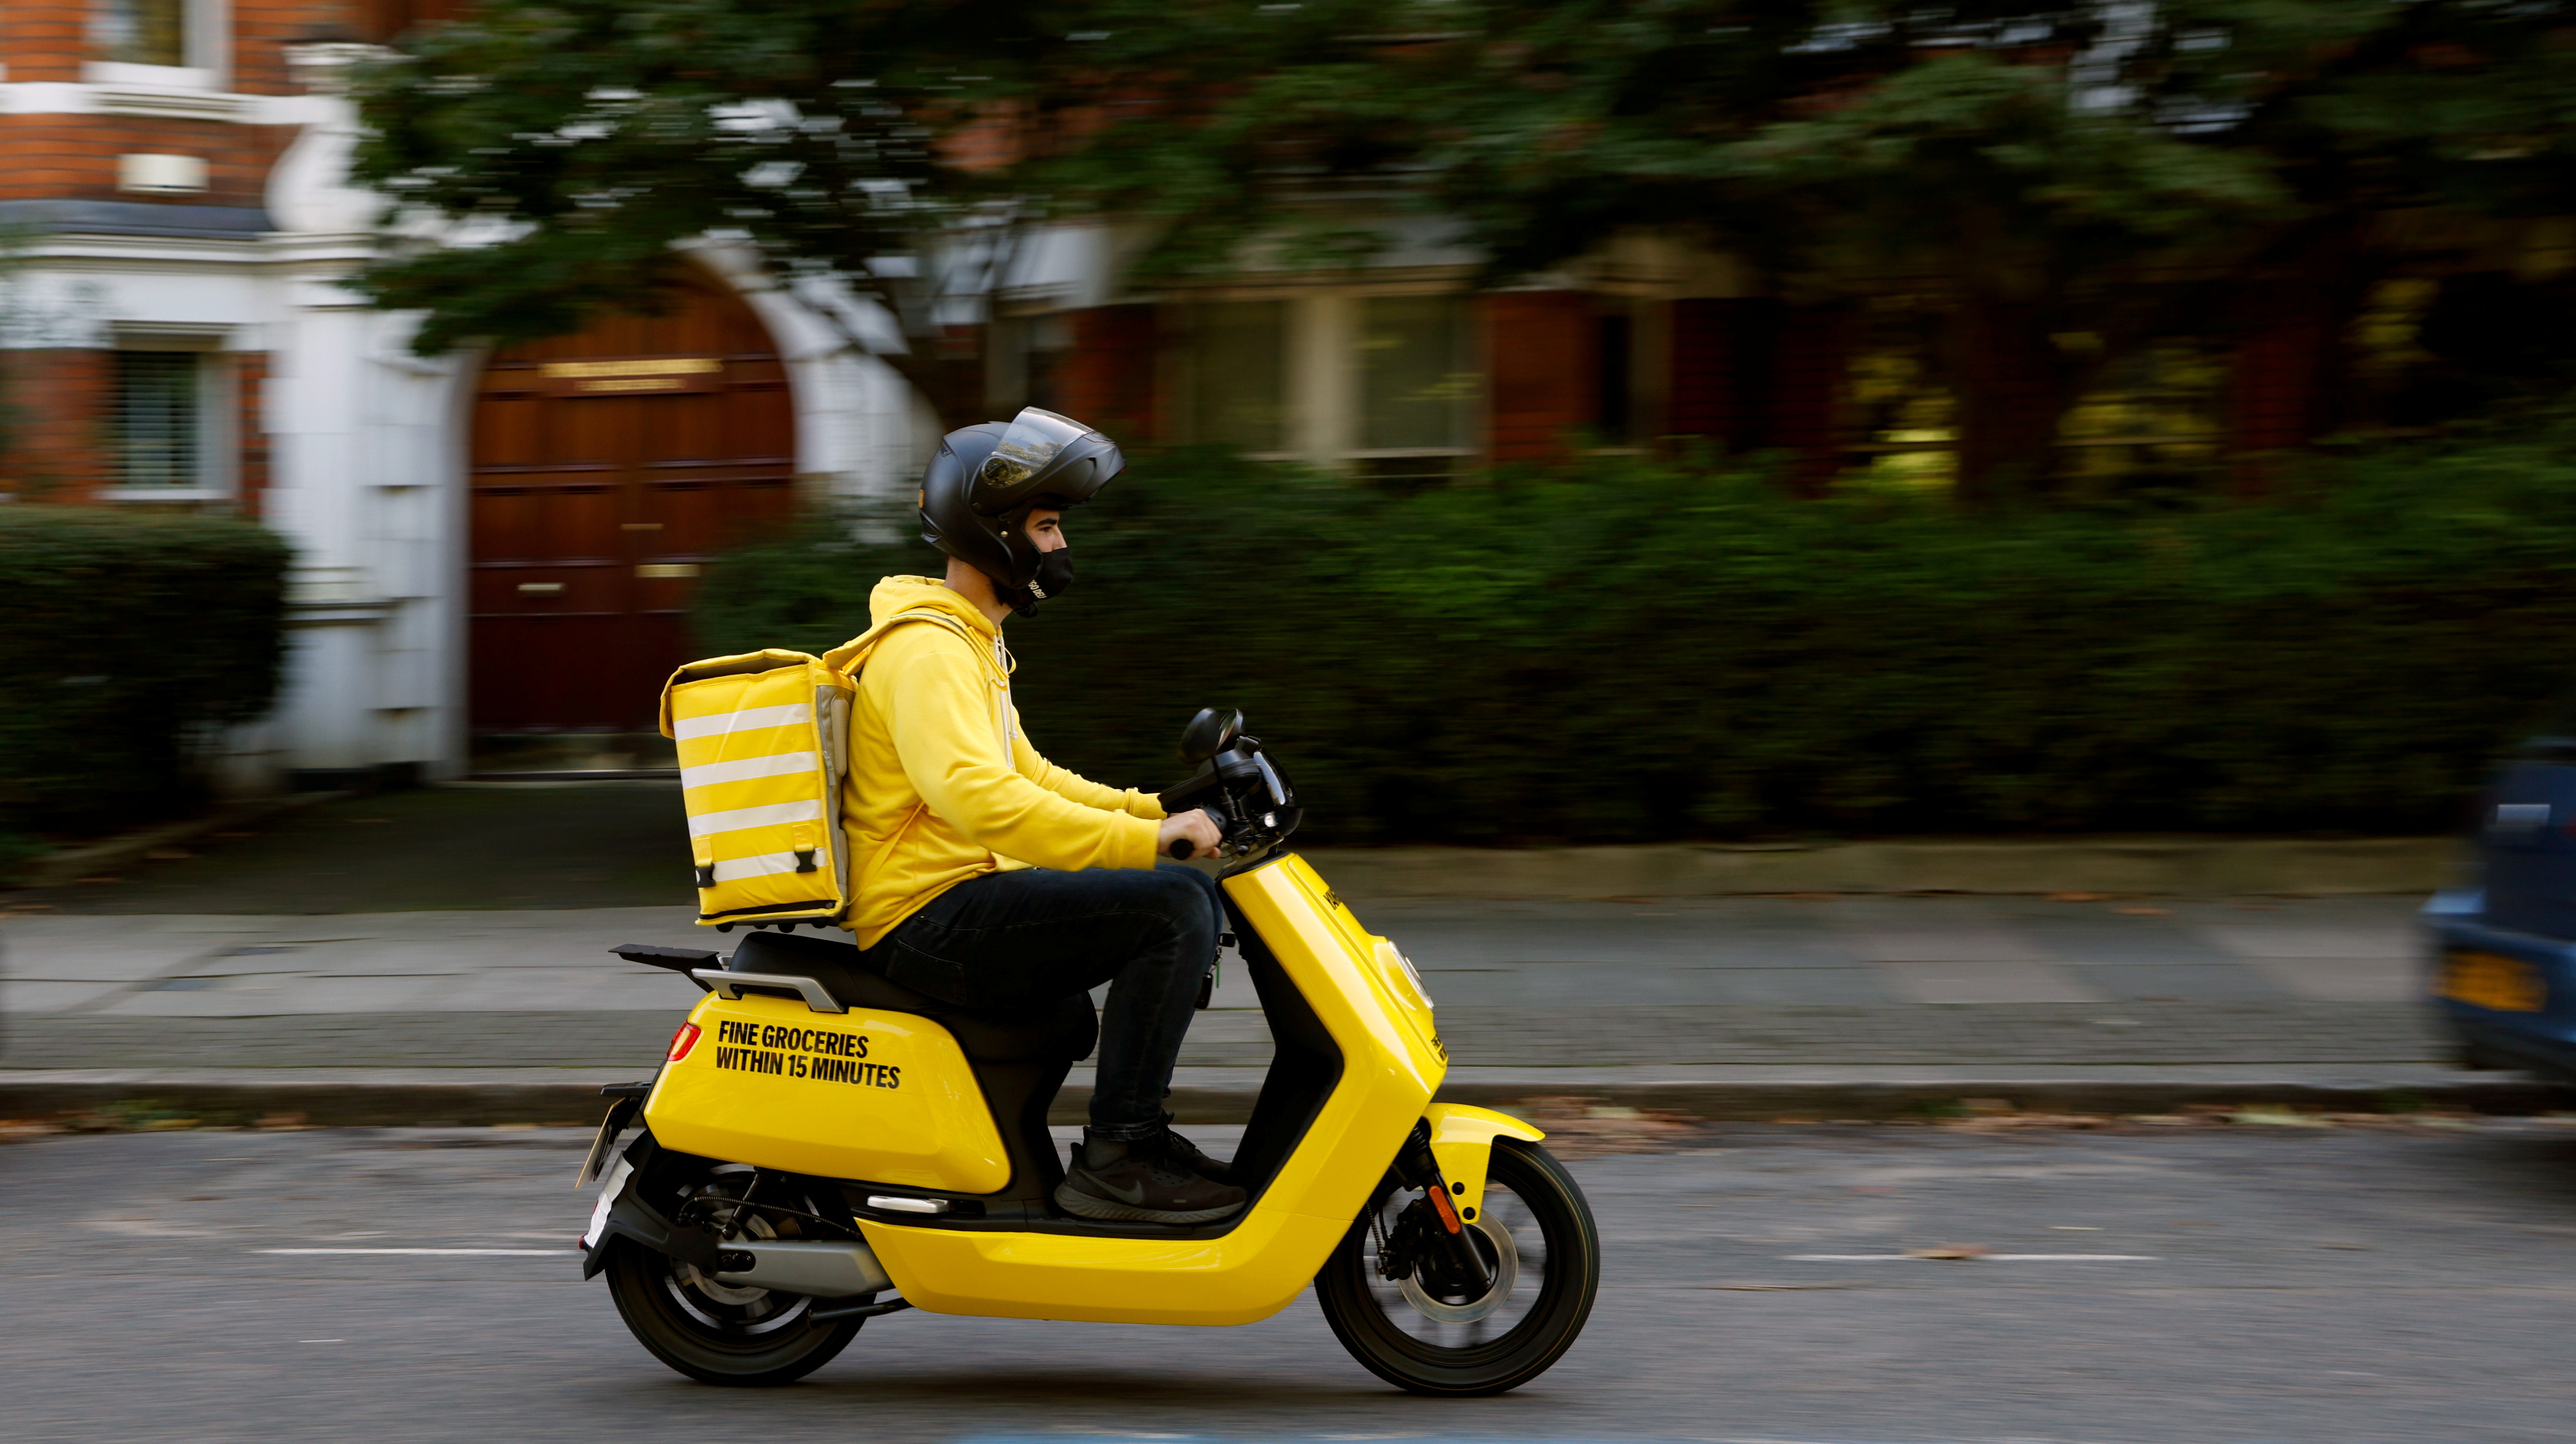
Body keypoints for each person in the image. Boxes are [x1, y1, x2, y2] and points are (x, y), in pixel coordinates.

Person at [838, 407, 1245, 1224]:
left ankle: (1127, 1142)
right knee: (1172, 906)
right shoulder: (927, 651)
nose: (1060, 545)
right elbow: (979, 799)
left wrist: (1156, 808)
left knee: (1184, 894)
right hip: (926, 915)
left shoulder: (968, 643)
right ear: (991, 532)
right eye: (1047, 526)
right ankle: (1122, 1153)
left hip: (953, 900)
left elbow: (1029, 774)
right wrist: (1146, 842)